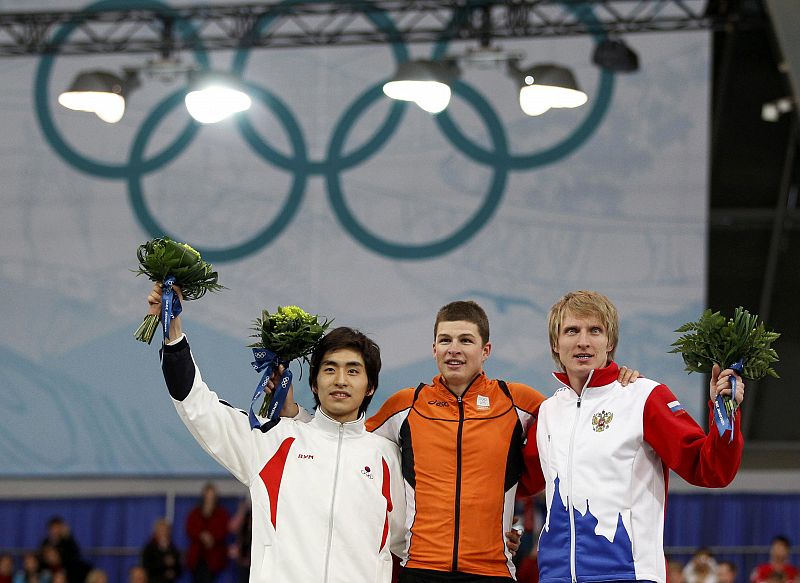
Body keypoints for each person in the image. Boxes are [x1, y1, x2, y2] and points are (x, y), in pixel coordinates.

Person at [278, 299, 637, 582]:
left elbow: (579, 420)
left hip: (493, 571)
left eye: (466, 340)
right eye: (446, 340)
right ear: (433, 348)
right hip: (420, 569)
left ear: (486, 350)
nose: (455, 349)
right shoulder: (406, 405)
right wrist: (295, 413)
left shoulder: (520, 403)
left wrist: (614, 380)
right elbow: (342, 438)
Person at [148, 282, 406, 583]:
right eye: (330, 369)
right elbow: (198, 407)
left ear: (370, 386)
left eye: (353, 371)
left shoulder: (387, 457)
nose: (340, 380)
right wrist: (172, 328)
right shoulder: (274, 440)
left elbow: (406, 543)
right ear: (313, 383)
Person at [522, 290, 745, 583]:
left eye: (595, 331)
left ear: (610, 341)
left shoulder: (643, 397)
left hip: (628, 573)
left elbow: (712, 470)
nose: (583, 341)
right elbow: (520, 482)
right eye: (572, 330)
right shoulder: (549, 412)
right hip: (556, 576)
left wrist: (725, 411)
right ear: (556, 342)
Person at [184, 483, 229, 583]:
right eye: (208, 495)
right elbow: (190, 529)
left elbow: (224, 530)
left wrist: (212, 537)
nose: (210, 498)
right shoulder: (194, 513)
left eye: (212, 495)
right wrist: (201, 535)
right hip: (196, 556)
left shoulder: (221, 514)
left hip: (214, 557)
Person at [39, 517, 90, 583]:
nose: (55, 530)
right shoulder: (45, 542)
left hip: (66, 569)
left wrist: (68, 537)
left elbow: (75, 554)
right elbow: (41, 558)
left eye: (58, 527)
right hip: (49, 569)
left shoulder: (67, 541)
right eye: (53, 527)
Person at [141, 518, 181, 583]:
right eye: (161, 530)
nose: (164, 533)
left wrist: (173, 573)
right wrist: (164, 563)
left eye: (166, 530)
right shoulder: (149, 548)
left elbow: (179, 569)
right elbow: (146, 567)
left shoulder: (173, 548)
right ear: (156, 532)